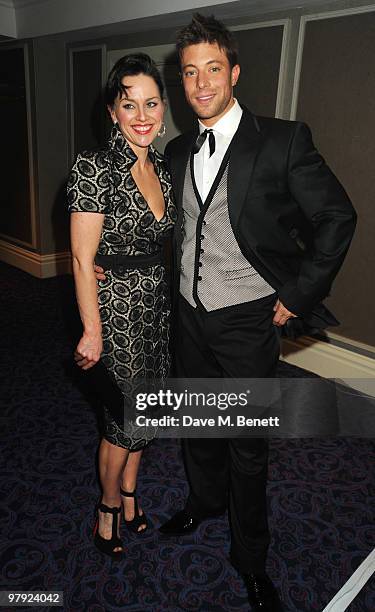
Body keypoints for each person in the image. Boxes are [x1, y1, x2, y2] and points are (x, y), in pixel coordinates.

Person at [155, 14, 356, 612]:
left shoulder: (282, 140)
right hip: (188, 314)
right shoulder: (175, 148)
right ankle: (203, 501)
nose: (201, 83)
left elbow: (337, 218)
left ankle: (251, 558)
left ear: (234, 72)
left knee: (247, 444)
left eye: (212, 68)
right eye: (189, 72)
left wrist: (296, 294)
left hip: (248, 318)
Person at [67, 53, 176, 557]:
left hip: (157, 312)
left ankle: (131, 495)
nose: (141, 115)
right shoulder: (94, 167)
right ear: (112, 110)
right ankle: (107, 507)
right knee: (121, 422)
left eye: (150, 103)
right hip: (116, 315)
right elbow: (82, 257)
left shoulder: (162, 166)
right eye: (128, 104)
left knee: (147, 415)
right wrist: (92, 330)